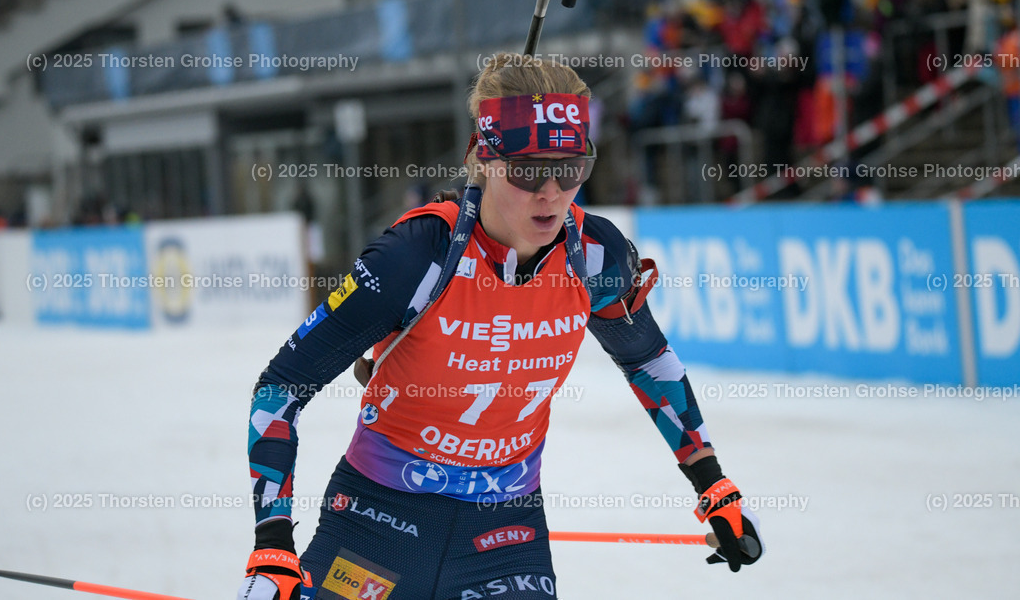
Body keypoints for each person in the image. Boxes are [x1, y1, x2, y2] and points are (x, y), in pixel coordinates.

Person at [236, 54, 764, 600]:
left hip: (506, 535)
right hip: (377, 523)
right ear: (484, 162)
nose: (552, 192)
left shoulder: (597, 257)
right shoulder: (419, 256)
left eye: (572, 168)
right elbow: (280, 388)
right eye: (529, 170)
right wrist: (273, 540)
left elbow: (648, 362)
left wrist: (713, 483)